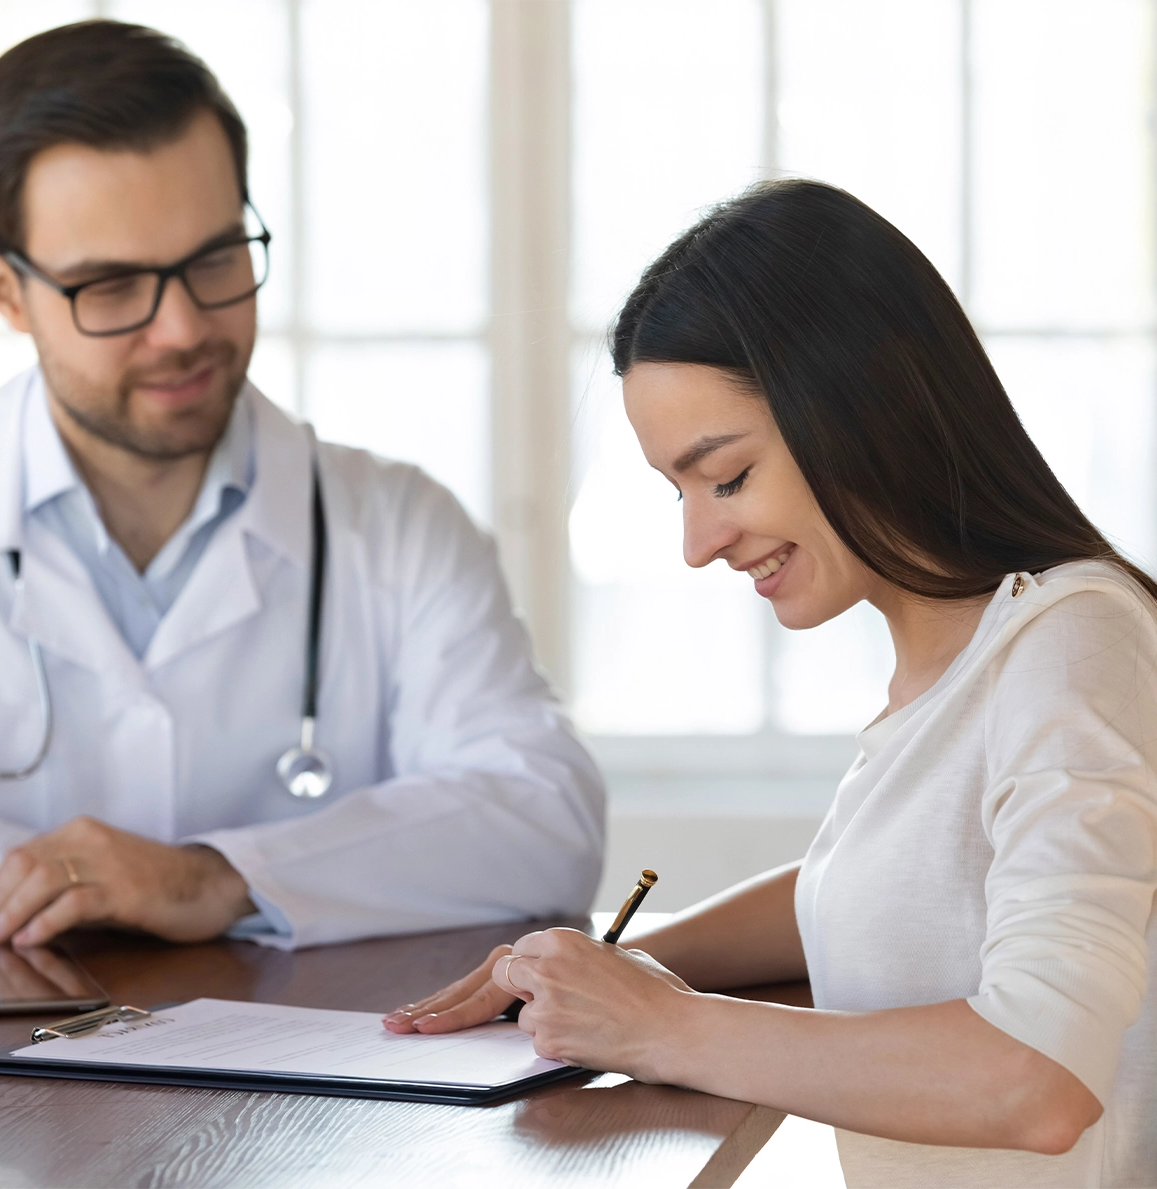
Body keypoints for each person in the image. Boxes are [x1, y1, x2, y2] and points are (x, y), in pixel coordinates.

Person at [0, 20, 603, 951]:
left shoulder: (393, 525)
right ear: (4, 290)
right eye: (112, 286)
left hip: (303, 1086)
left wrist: (218, 875)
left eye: (213, 260)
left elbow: (545, 817)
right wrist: (22, 876)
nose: (180, 329)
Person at [384, 180, 1157, 1186]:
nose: (698, 542)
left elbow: (1038, 1078)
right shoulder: (955, 658)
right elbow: (892, 882)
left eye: (726, 476)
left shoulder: (1072, 640)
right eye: (677, 491)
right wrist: (604, 966)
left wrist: (664, 1025)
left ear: (858, 407)